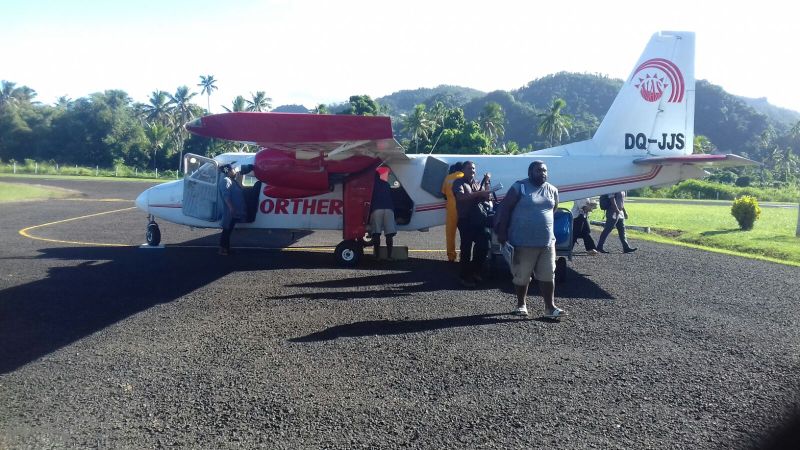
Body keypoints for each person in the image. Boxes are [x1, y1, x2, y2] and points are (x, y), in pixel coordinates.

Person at [495, 161, 566, 319]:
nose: (542, 173)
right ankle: (521, 305)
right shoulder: (519, 187)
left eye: (545, 170)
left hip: (547, 243)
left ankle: (550, 308)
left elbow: (552, 210)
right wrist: (502, 232)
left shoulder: (552, 190)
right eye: (538, 170)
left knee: (548, 275)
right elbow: (505, 208)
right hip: (522, 242)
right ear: (530, 173)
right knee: (522, 276)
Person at [453, 161, 492, 287]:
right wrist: (479, 193)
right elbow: (460, 198)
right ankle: (464, 276)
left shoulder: (476, 183)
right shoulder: (458, 182)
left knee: (484, 244)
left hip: (478, 220)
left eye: (474, 168)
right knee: (466, 249)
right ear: (463, 170)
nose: (472, 171)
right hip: (465, 220)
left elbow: (487, 197)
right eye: (469, 168)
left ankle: (475, 271)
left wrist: (486, 182)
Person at [218, 164, 246, 256]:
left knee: (228, 230)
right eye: (233, 170)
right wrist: (231, 208)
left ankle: (226, 249)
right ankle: (223, 250)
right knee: (226, 229)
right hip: (230, 211)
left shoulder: (232, 180)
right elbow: (226, 196)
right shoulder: (226, 181)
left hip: (233, 210)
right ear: (228, 171)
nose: (234, 171)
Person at [369, 169, 397, 260]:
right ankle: (389, 256)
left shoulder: (371, 185)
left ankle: (377, 256)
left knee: (376, 233)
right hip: (389, 209)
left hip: (377, 209)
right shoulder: (386, 184)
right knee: (389, 234)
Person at [441, 162, 464, 262]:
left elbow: (444, 194)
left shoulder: (448, 178)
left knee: (450, 234)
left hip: (451, 209)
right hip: (464, 208)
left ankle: (451, 256)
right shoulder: (464, 176)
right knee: (465, 234)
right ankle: (464, 255)